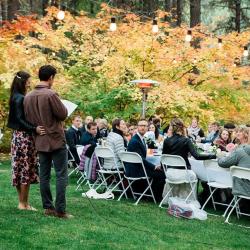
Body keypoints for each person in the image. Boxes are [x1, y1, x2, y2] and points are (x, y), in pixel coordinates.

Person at [24, 65, 72, 219]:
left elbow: (28, 119)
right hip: (56, 139)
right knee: (61, 175)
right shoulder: (51, 94)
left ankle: (48, 207)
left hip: (40, 139)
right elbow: (63, 114)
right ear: (51, 77)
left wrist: (36, 128)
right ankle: (60, 210)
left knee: (44, 175)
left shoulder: (28, 96)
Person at [7, 71, 45, 211]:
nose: (30, 83)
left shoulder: (14, 96)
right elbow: (20, 120)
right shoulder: (20, 98)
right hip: (24, 138)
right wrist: (34, 128)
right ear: (23, 81)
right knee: (25, 170)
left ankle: (22, 202)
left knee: (19, 169)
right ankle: (24, 204)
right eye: (28, 81)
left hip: (17, 137)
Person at [126, 119, 165, 201]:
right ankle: (155, 197)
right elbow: (141, 159)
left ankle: (150, 194)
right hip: (135, 170)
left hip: (137, 167)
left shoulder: (145, 137)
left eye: (145, 126)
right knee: (161, 173)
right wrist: (154, 167)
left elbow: (152, 150)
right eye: (141, 125)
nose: (143, 128)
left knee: (158, 171)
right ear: (137, 127)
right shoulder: (135, 141)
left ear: (147, 128)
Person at [218, 127, 250, 198]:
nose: (237, 133)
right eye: (237, 132)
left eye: (240, 131)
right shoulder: (239, 148)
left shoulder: (240, 151)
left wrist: (219, 155)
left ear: (246, 135)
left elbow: (223, 163)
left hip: (243, 188)